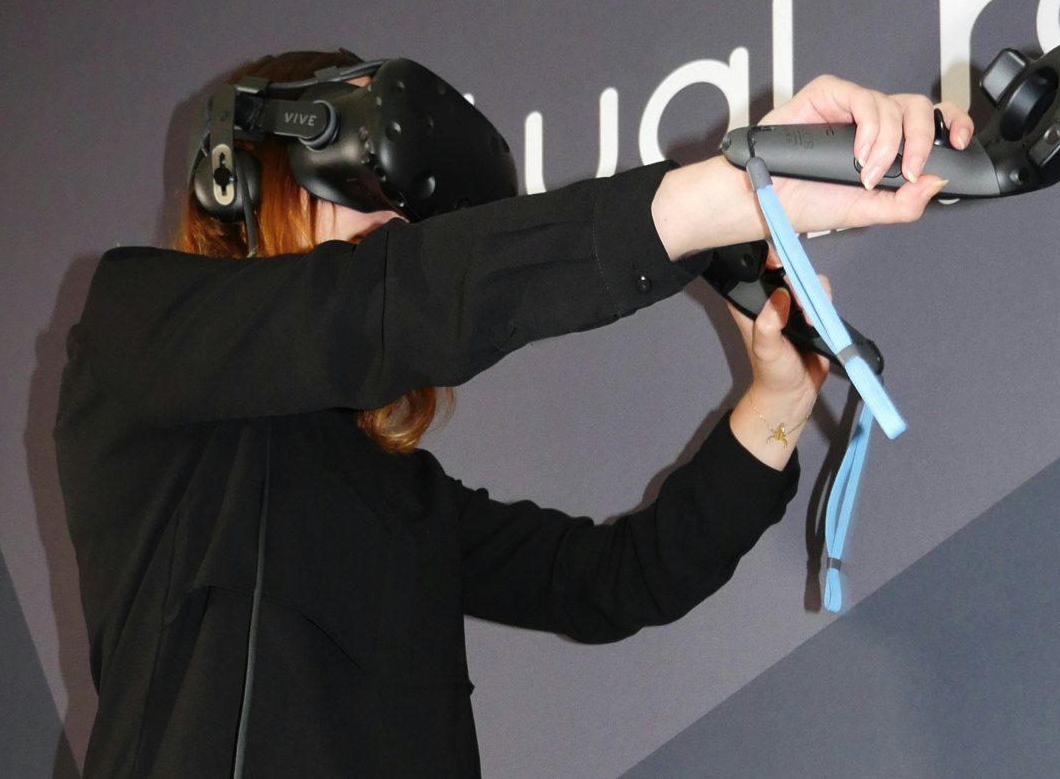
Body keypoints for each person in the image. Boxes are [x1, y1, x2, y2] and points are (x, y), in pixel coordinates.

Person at [55, 48, 974, 778]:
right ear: (242, 182)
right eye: (357, 177)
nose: (396, 218)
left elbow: (615, 579)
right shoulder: (133, 321)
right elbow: (382, 303)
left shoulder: (407, 501)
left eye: (411, 209)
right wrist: (726, 191)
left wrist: (780, 399)